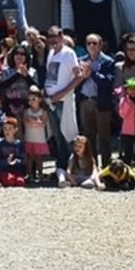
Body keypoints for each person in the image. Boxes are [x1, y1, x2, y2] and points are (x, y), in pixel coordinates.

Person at [44, 27, 83, 174]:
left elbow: (78, 76)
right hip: (50, 100)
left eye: (54, 36)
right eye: (49, 36)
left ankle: (73, 167)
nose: (52, 39)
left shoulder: (68, 53)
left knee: (69, 134)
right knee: (57, 136)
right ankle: (61, 166)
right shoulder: (51, 53)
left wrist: (62, 93)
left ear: (61, 36)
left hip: (63, 100)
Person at [77, 33, 116, 166]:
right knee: (88, 137)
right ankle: (91, 166)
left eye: (94, 43)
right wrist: (83, 76)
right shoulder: (80, 60)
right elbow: (75, 82)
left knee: (104, 137)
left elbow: (108, 82)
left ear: (100, 45)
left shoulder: (108, 61)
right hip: (85, 102)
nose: (92, 46)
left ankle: (106, 166)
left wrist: (92, 73)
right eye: (89, 43)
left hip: (101, 102)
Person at [22, 86, 52, 184]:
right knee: (29, 157)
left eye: (34, 99)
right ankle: (29, 174)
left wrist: (33, 121)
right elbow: (26, 122)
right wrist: (36, 121)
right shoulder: (26, 111)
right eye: (29, 99)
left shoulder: (43, 112)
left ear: (39, 99)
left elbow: (42, 124)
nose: (31, 101)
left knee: (39, 158)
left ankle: (40, 174)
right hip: (29, 138)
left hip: (40, 139)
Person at [0, 117, 26, 187]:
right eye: (5, 128)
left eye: (10, 129)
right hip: (4, 170)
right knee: (10, 181)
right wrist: (6, 161)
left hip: (17, 170)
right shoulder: (0, 144)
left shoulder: (19, 144)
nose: (7, 131)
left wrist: (16, 161)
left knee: (20, 182)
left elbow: (23, 159)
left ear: (15, 129)